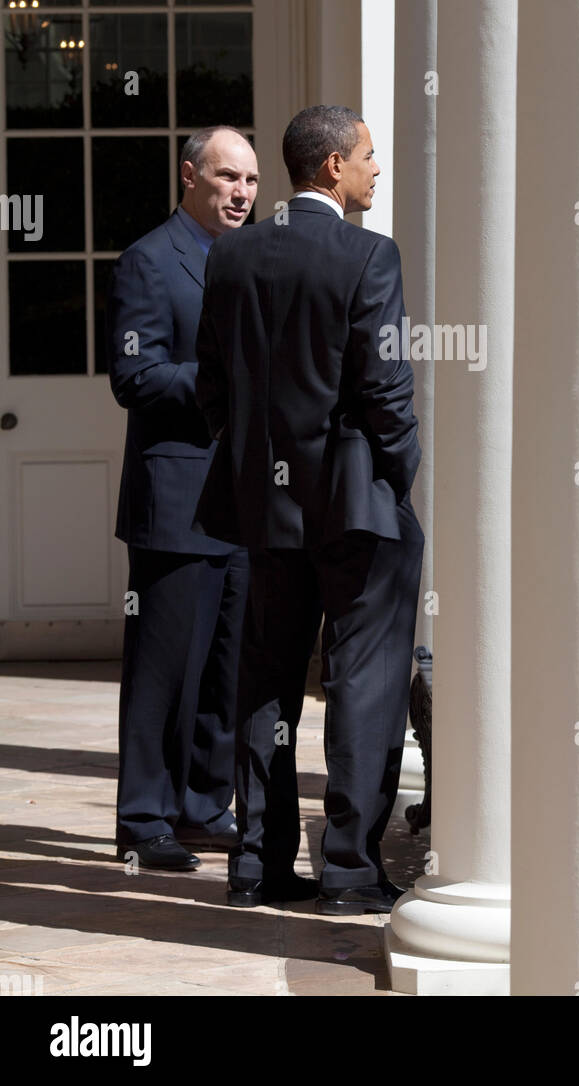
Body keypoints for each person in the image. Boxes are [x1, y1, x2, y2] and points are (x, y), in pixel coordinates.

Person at [194, 104, 424, 912]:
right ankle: (350, 871)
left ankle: (256, 863)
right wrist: (399, 477)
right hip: (356, 508)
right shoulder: (370, 257)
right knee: (364, 682)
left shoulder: (232, 257)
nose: (376, 169)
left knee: (265, 681)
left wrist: (259, 467)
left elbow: (211, 386)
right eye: (368, 155)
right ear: (332, 167)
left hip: (267, 508)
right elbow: (386, 388)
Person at [106, 126, 256, 870]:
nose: (242, 193)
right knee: (166, 669)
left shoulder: (248, 261)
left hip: (244, 501)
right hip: (174, 501)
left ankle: (203, 804)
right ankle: (144, 818)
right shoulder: (148, 259)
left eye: (252, 182)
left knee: (225, 666)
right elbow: (134, 377)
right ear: (190, 176)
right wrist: (222, 383)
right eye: (228, 177)